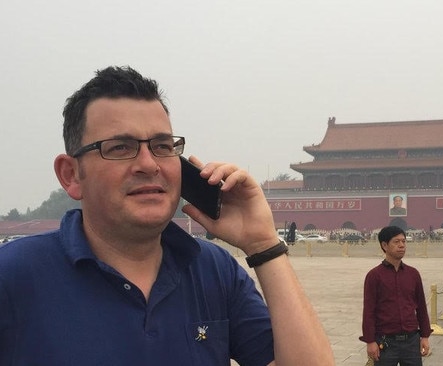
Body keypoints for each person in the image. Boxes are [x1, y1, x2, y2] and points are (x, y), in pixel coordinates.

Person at [0, 66, 334, 366]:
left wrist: (263, 244)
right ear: (72, 175)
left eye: (162, 146)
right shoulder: (14, 274)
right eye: (119, 147)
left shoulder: (213, 270)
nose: (149, 164)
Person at [361, 226, 431, 365]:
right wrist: (370, 341)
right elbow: (369, 311)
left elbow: (421, 307)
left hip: (411, 341)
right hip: (385, 342)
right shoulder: (374, 276)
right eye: (396, 242)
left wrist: (424, 336)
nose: (401, 245)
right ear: (384, 245)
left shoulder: (413, 274)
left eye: (404, 241)